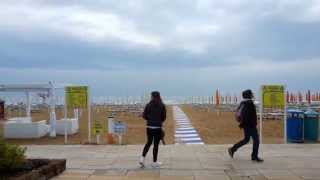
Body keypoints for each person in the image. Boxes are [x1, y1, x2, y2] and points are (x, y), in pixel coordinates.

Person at [228, 89, 264, 162]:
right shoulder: (249, 103)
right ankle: (254, 156)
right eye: (251, 94)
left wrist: (242, 124)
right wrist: (245, 124)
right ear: (249, 95)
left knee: (246, 139)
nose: (253, 95)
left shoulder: (243, 103)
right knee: (256, 141)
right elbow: (247, 116)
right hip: (250, 126)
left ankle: (232, 149)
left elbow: (243, 115)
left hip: (246, 125)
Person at [139, 91, 166, 168]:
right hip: (157, 127)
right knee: (156, 145)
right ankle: (154, 162)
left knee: (148, 143)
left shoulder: (148, 105)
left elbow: (144, 116)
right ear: (159, 96)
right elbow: (164, 117)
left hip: (149, 127)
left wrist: (149, 119)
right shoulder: (162, 105)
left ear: (152, 96)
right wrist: (159, 120)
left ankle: (142, 159)